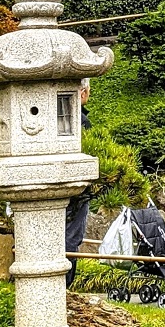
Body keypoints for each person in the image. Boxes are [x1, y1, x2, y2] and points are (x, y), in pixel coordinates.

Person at [65, 78, 92, 288]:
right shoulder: (81, 122)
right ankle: (65, 286)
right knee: (71, 240)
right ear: (83, 93)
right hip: (78, 190)